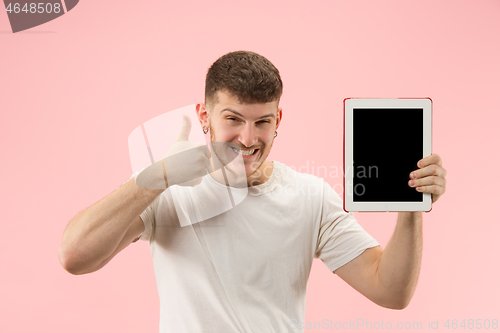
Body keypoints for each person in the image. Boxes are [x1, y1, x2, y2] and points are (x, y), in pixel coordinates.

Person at [58, 50, 447, 332]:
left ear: (278, 118)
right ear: (203, 116)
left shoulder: (310, 195)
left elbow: (390, 291)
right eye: (233, 119)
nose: (249, 138)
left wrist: (410, 204)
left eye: (262, 121)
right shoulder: (166, 191)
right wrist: (156, 177)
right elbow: (75, 256)